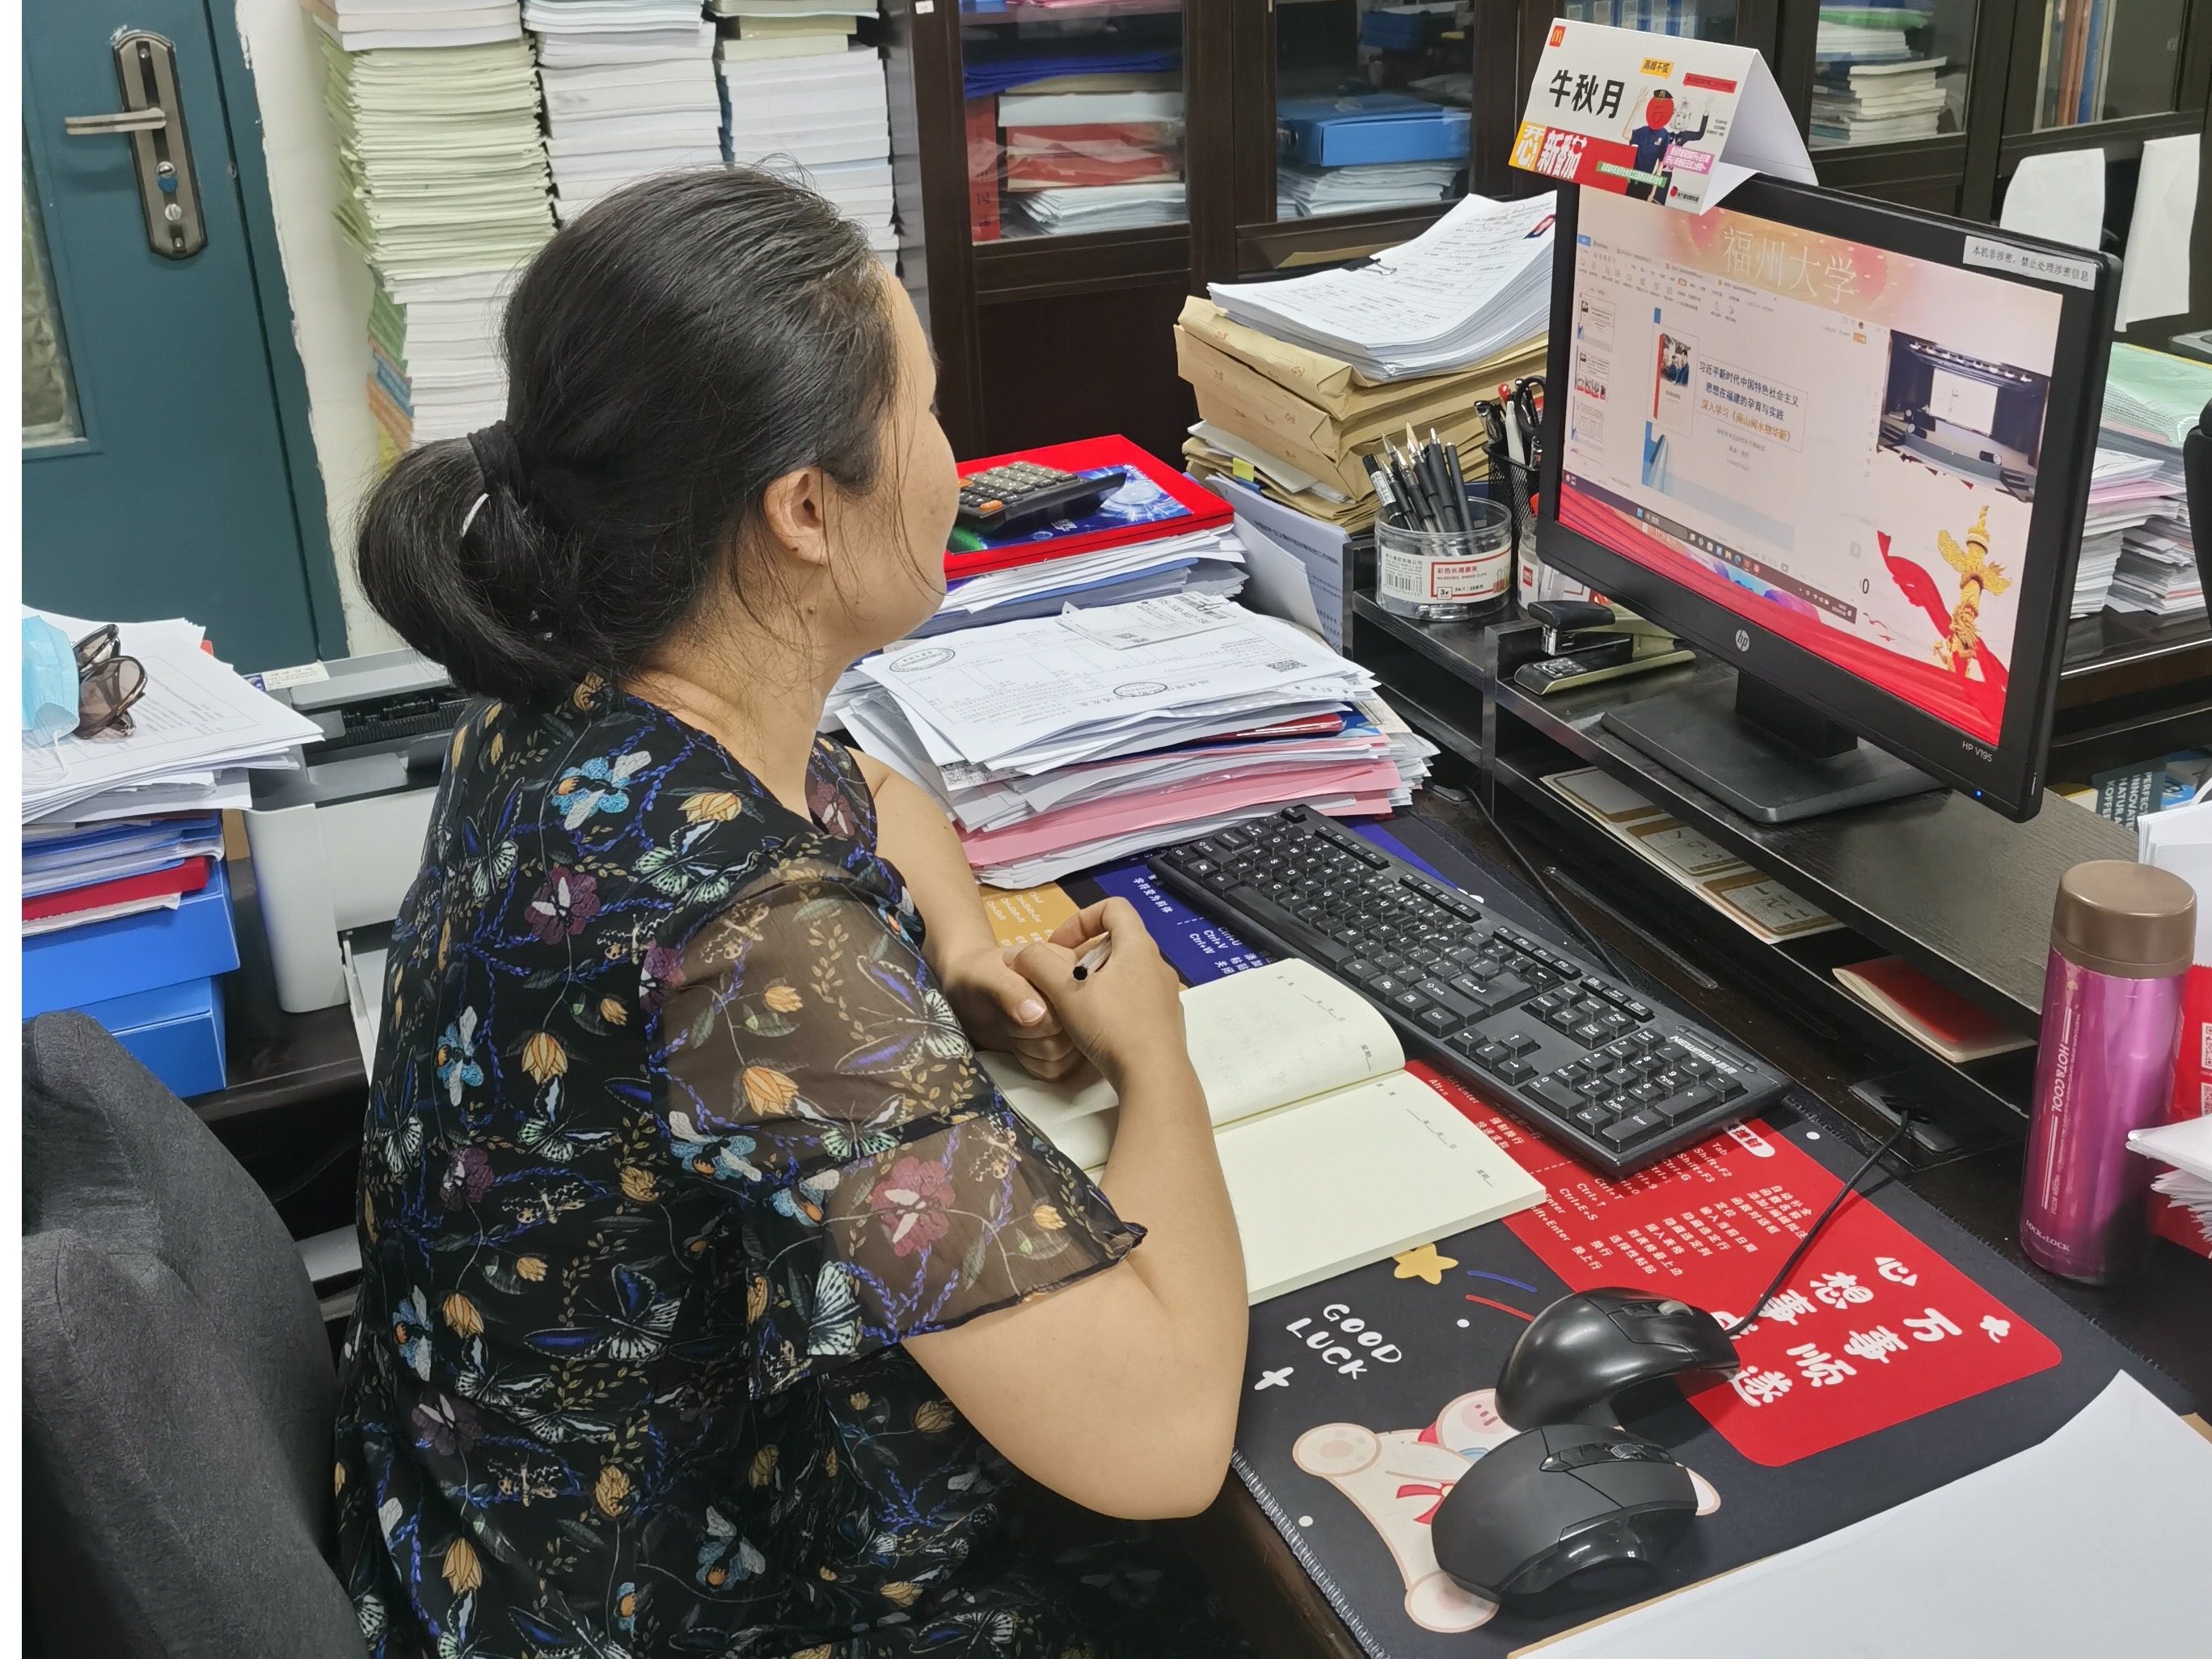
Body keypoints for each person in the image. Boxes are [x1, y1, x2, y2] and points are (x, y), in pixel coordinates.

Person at [336, 167, 1249, 1659]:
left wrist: (960, 943)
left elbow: (871, 791)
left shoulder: (560, 695)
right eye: (930, 414)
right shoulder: (755, 946)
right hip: (656, 1611)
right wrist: (1157, 1063)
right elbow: (1162, 1440)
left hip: (469, 1533)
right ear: (806, 509)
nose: (955, 459)